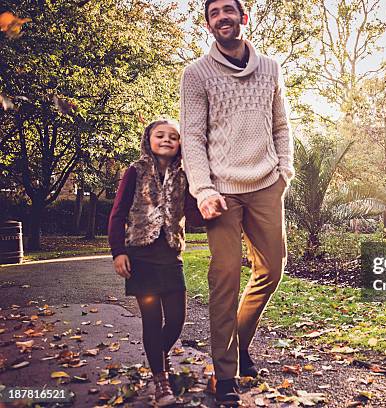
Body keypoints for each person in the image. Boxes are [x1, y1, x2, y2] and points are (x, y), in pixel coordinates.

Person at [179, 0, 294, 405]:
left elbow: (281, 125)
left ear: (244, 17)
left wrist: (285, 174)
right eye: (214, 13)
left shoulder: (272, 68)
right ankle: (225, 374)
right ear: (209, 23)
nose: (223, 17)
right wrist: (203, 189)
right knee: (225, 275)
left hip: (266, 183)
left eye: (229, 10)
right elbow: (191, 137)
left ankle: (238, 343)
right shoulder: (196, 74)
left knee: (273, 268)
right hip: (221, 191)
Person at [108, 119, 204, 407]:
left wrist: (212, 204)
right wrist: (117, 251)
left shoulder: (185, 176)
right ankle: (161, 381)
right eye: (160, 135)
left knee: (176, 319)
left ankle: (155, 363)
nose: (166, 140)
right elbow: (117, 213)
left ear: (180, 145)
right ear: (147, 139)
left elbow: (193, 213)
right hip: (140, 256)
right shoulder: (135, 171)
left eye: (173, 137)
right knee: (152, 320)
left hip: (171, 255)